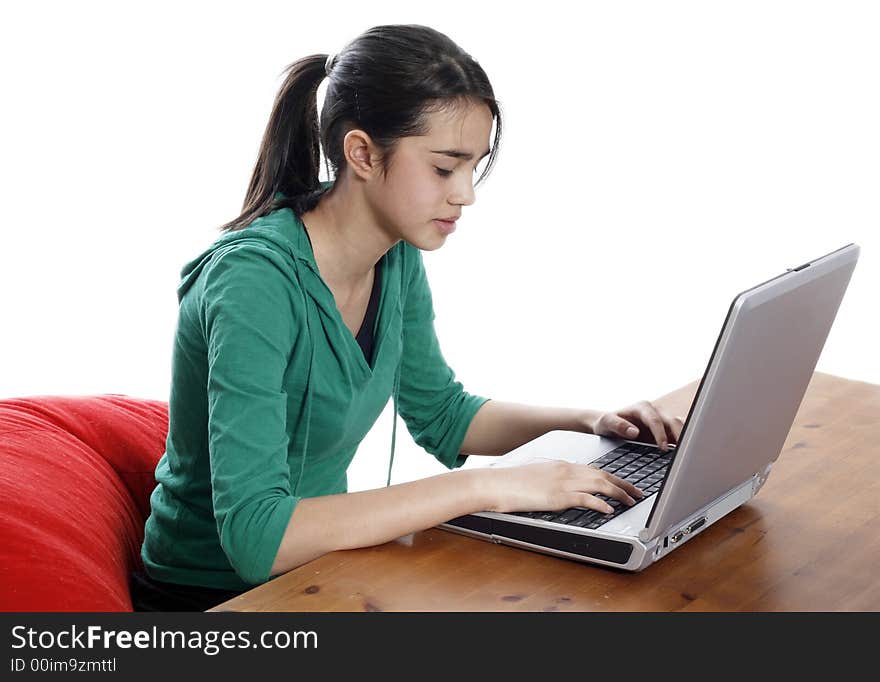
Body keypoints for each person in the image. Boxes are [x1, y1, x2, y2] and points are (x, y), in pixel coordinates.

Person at [132, 24, 684, 612]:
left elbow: (442, 414)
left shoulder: (393, 255)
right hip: (210, 599)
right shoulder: (254, 283)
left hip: (317, 573)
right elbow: (257, 537)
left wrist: (588, 421)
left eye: (474, 167)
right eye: (446, 168)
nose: (466, 194)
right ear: (363, 153)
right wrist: (485, 488)